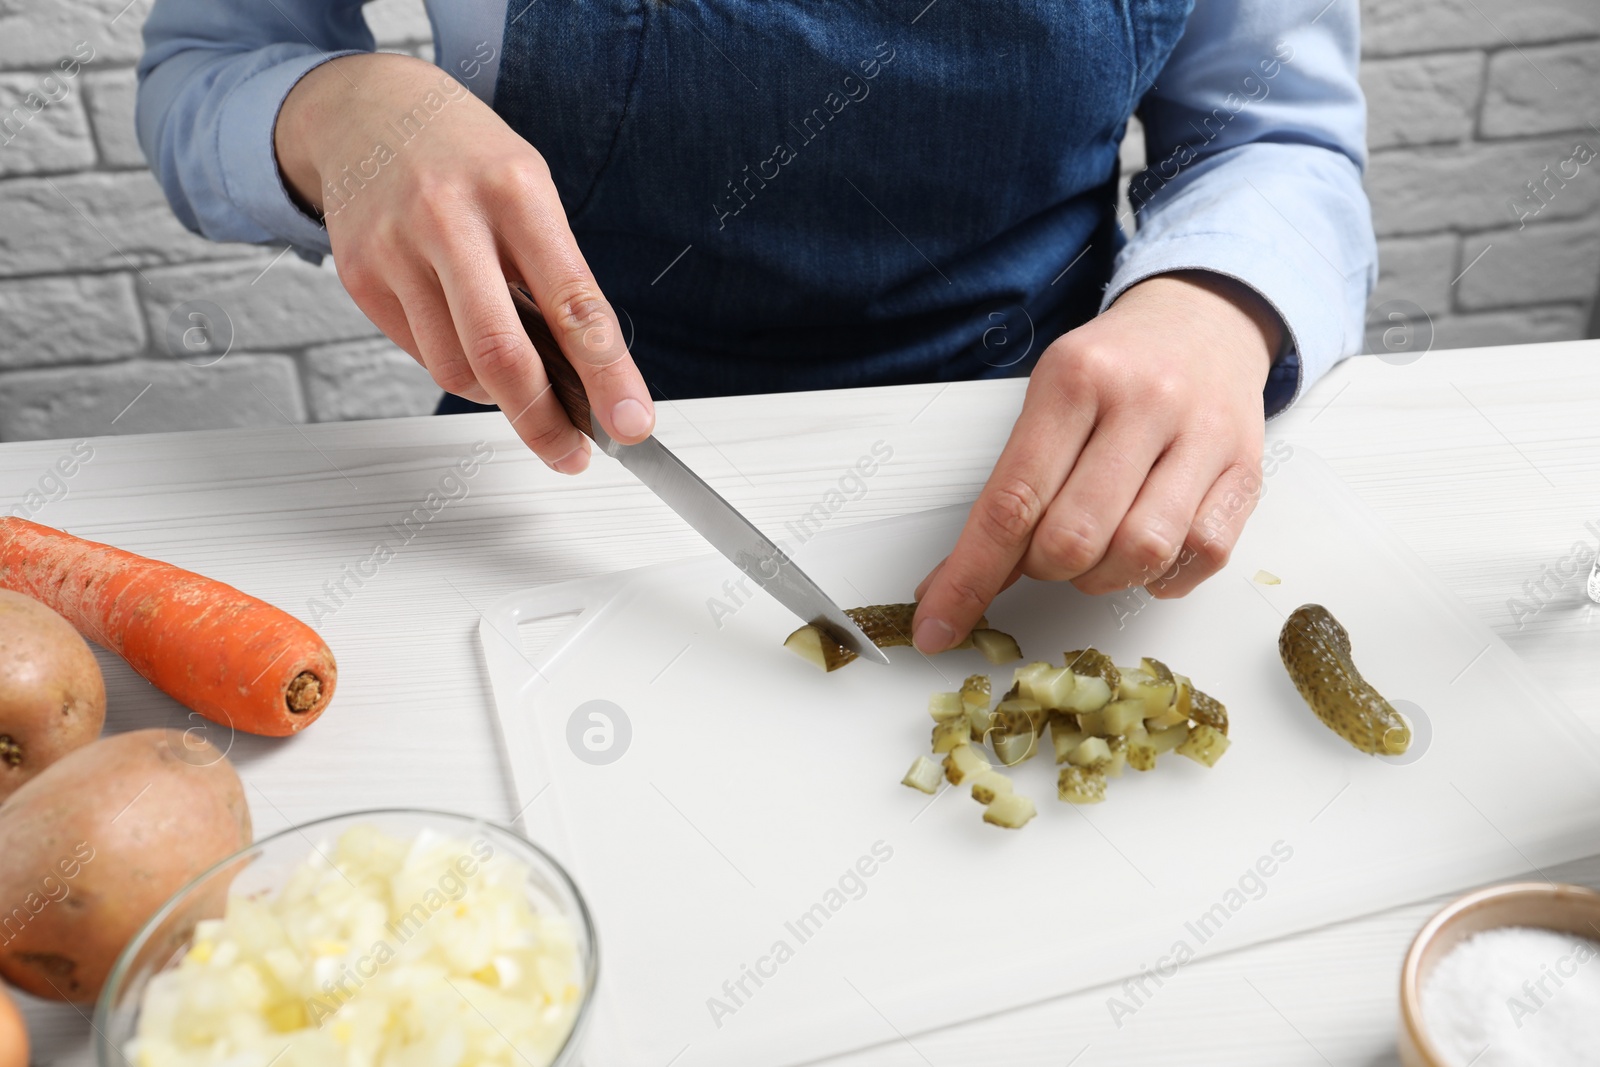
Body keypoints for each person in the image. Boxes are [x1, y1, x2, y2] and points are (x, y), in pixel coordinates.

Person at [137, 0, 1375, 653]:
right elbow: (206, 66)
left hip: (1043, 475)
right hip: (555, 473)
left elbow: (1272, 133)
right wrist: (337, 108)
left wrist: (1214, 306)